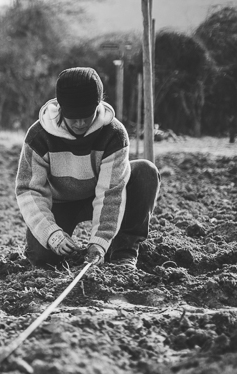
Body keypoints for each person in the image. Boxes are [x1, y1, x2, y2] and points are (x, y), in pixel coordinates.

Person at [15, 67, 161, 269]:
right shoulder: (38, 136)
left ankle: (123, 253)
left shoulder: (114, 134)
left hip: (99, 193)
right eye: (73, 116)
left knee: (145, 172)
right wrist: (51, 233)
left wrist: (99, 242)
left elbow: (110, 192)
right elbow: (28, 190)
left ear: (98, 105)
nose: (81, 122)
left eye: (87, 114)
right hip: (61, 201)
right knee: (42, 259)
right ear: (61, 107)